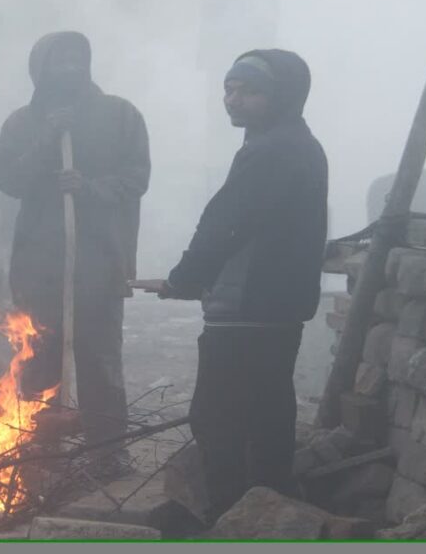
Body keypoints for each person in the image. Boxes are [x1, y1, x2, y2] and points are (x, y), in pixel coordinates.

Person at [132, 49, 327, 522]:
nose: (233, 100)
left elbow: (224, 225)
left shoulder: (273, 150)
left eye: (249, 91)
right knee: (266, 419)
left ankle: (229, 518)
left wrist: (184, 279)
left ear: (281, 97)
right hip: (274, 311)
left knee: (221, 422)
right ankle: (272, 510)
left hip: (248, 312)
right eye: (229, 88)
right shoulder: (291, 142)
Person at [0, 31, 150, 475]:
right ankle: (40, 448)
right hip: (39, 264)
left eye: (77, 59)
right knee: (39, 355)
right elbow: (8, 179)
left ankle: (108, 451)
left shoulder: (121, 116)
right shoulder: (21, 123)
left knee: (100, 357)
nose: (69, 69)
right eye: (58, 61)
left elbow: (137, 177)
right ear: (39, 70)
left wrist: (90, 189)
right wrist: (47, 140)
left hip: (100, 258)